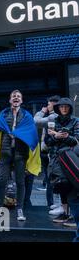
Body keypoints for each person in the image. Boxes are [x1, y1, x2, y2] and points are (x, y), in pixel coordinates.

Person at [0, 90, 40, 221]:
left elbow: (31, 134)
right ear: (10, 100)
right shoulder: (3, 114)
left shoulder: (27, 116)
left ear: (21, 100)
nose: (16, 98)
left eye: (18, 96)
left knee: (20, 182)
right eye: (13, 96)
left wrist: (20, 135)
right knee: (1, 181)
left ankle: (20, 209)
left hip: (21, 154)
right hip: (5, 153)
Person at [44, 97, 79, 227]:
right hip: (54, 158)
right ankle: (65, 213)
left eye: (66, 106)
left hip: (69, 158)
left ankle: (74, 216)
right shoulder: (53, 121)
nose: (63, 109)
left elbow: (76, 141)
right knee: (59, 185)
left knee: (70, 186)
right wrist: (55, 136)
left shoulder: (75, 121)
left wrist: (65, 136)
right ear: (58, 108)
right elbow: (47, 142)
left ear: (70, 108)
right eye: (61, 107)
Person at [34, 95, 60, 212]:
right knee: (50, 178)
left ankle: (53, 204)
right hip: (47, 152)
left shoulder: (53, 116)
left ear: (54, 105)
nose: (47, 106)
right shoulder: (53, 116)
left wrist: (41, 111)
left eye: (48, 104)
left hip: (51, 153)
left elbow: (36, 121)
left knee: (51, 179)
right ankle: (54, 204)